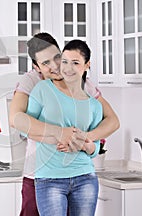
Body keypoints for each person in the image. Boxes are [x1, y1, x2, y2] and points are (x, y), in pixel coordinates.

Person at [9, 33, 120, 216]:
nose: (55, 66)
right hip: (38, 175)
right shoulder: (32, 82)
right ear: (37, 67)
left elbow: (112, 120)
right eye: (46, 63)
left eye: (57, 58)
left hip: (78, 174)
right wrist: (59, 132)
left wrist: (82, 138)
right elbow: (16, 119)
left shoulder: (82, 82)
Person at [26, 39, 103, 216]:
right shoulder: (43, 89)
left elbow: (95, 148)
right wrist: (57, 136)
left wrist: (81, 143)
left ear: (87, 65)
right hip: (49, 179)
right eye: (65, 61)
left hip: (85, 178)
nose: (68, 68)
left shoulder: (94, 105)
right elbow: (26, 128)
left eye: (75, 63)